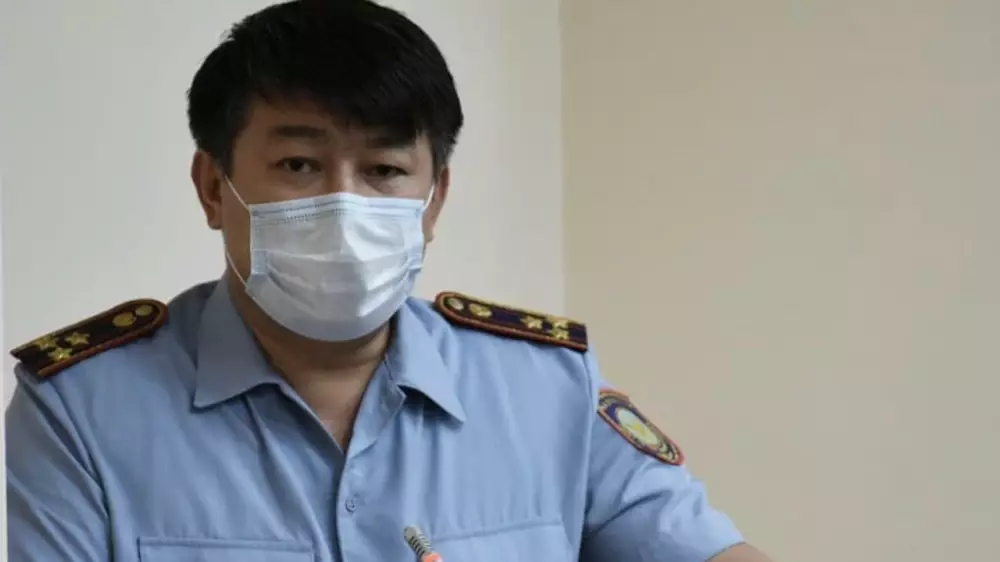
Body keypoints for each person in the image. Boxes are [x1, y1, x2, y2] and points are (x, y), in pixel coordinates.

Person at [5, 1, 772, 561]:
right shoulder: (81, 408)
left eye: (383, 169)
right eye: (299, 164)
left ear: (434, 199)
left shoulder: (546, 389)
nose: (344, 204)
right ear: (213, 187)